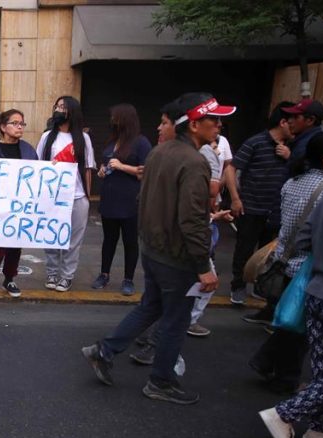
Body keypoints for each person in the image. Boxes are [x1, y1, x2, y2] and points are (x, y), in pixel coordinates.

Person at [82, 92, 236, 405]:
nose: (219, 125)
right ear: (194, 125)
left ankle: (105, 350)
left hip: (154, 251)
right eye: (213, 119)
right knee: (176, 320)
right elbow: (192, 221)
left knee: (151, 307)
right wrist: (204, 266)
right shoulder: (193, 163)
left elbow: (145, 201)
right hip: (177, 257)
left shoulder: (159, 153)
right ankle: (161, 380)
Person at [258, 136, 323, 438]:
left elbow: (301, 236)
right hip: (316, 281)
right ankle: (285, 414)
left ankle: (319, 427)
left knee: (318, 362)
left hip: (310, 284)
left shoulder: (305, 187)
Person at [228, 103, 294, 307]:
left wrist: (289, 157)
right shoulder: (255, 142)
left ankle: (259, 287)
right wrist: (235, 199)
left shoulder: (292, 147)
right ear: (282, 122)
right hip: (251, 207)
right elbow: (231, 168)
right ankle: (237, 287)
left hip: (275, 210)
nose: (293, 127)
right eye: (290, 122)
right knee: (244, 249)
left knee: (268, 253)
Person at [0, 109, 38, 301]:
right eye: (15, 123)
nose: (20, 126)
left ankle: (9, 279)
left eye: (22, 123)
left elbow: (37, 174)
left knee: (15, 246)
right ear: (3, 127)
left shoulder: (28, 150)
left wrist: (52, 168)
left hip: (20, 206)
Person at [91, 103, 151, 296]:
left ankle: (128, 279)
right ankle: (104, 274)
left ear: (125, 119)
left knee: (130, 241)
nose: (112, 121)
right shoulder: (112, 141)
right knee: (108, 240)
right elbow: (107, 164)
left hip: (129, 201)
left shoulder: (141, 143)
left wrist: (123, 166)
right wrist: (102, 170)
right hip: (109, 198)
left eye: (115, 118)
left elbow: (145, 172)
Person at [37, 96, 96, 292]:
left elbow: (88, 169)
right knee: (51, 237)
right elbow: (37, 166)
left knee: (73, 240)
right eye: (57, 106)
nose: (58, 110)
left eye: (63, 107)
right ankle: (52, 273)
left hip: (77, 198)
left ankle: (66, 276)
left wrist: (87, 197)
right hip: (52, 197)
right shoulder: (47, 137)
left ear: (72, 112)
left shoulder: (83, 139)